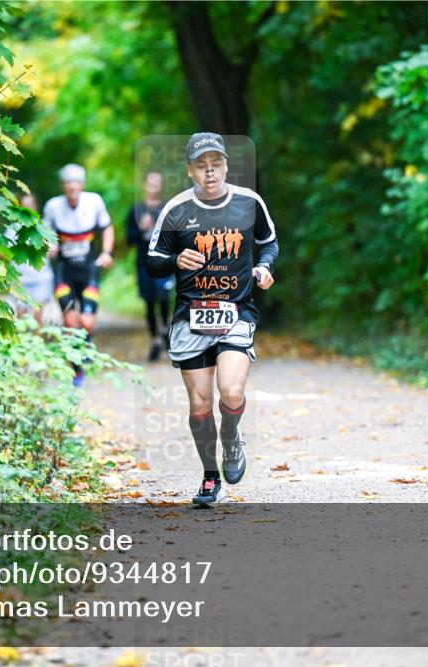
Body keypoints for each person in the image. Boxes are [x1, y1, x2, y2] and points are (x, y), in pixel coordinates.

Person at [146, 133, 278, 507]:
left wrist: (265, 266)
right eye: (201, 166)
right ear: (190, 170)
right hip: (191, 317)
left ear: (225, 166)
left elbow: (269, 241)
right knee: (201, 406)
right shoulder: (175, 210)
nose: (210, 172)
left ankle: (232, 438)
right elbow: (152, 261)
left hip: (237, 310)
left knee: (232, 391)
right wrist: (175, 261)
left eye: (216, 164)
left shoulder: (249, 203)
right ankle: (209, 476)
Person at [44, 163, 114, 387]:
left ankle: (86, 345)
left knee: (87, 321)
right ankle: (76, 369)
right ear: (63, 186)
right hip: (64, 272)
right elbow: (46, 234)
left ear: (82, 185)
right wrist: (50, 246)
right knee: (70, 321)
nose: (72, 187)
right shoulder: (53, 206)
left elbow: (107, 227)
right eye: (68, 183)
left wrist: (106, 252)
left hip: (89, 269)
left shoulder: (94, 202)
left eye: (76, 183)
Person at [126, 170, 173, 361]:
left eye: (157, 183)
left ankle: (165, 329)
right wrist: (141, 229)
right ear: (145, 185)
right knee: (149, 302)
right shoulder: (136, 211)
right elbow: (129, 240)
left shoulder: (168, 209)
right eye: (150, 183)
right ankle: (155, 339)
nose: (153, 187)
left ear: (161, 186)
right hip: (143, 264)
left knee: (164, 298)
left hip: (164, 262)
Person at [7, 192, 55, 323]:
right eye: (25, 205)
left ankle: (37, 342)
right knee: (21, 316)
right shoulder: (12, 230)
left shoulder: (44, 227)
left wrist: (50, 249)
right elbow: (5, 252)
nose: (29, 208)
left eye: (31, 205)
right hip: (20, 280)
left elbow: (53, 246)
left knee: (38, 318)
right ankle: (24, 342)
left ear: (36, 207)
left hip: (41, 279)